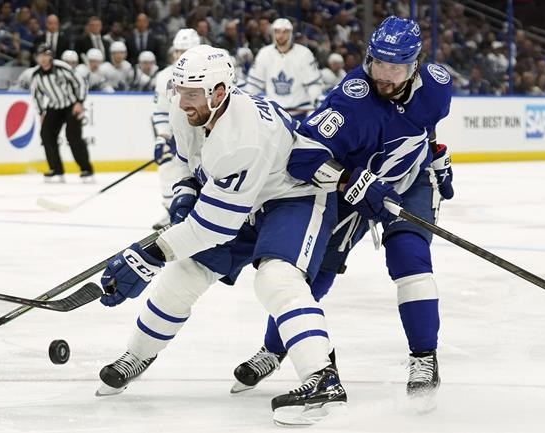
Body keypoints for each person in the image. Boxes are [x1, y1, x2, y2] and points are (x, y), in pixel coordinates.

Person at [95, 45, 346, 426]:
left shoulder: (241, 139)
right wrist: (185, 192)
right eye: (179, 91)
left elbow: (214, 227)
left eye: (192, 94)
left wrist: (148, 255)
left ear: (218, 92)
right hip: (245, 198)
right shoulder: (193, 108)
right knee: (185, 275)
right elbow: (187, 161)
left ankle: (322, 378)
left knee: (276, 278)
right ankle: (138, 354)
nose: (182, 102)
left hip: (293, 197)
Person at [231, 16, 454, 409]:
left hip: (409, 183)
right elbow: (303, 157)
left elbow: (427, 127)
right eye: (377, 65)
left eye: (395, 68)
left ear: (415, 65)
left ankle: (424, 358)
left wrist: (437, 158)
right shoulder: (350, 99)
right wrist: (350, 180)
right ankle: (274, 348)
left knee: (410, 259)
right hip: (355, 192)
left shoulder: (437, 85)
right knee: (314, 273)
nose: (383, 77)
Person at [150, 28, 200, 230]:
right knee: (167, 168)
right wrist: (163, 137)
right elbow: (161, 111)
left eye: (186, 51)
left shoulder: (210, 72)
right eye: (179, 51)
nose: (181, 56)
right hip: (178, 136)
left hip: (205, 135)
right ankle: (172, 209)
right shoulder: (164, 77)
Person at [30, 43, 93, 182]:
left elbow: (80, 82)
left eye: (46, 55)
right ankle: (56, 169)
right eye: (40, 56)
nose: (43, 59)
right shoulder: (36, 75)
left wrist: (79, 102)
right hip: (54, 107)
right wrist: (41, 112)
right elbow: (36, 94)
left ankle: (86, 169)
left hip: (71, 105)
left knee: (73, 136)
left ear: (51, 56)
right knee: (46, 134)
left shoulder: (61, 67)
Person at [244, 18, 323, 122]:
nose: (281, 35)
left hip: (300, 112)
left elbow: (314, 84)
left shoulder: (304, 53)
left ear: (291, 33)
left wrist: (315, 108)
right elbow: (253, 84)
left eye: (285, 32)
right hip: (274, 114)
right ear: (272, 33)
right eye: (277, 31)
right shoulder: (264, 53)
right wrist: (245, 105)